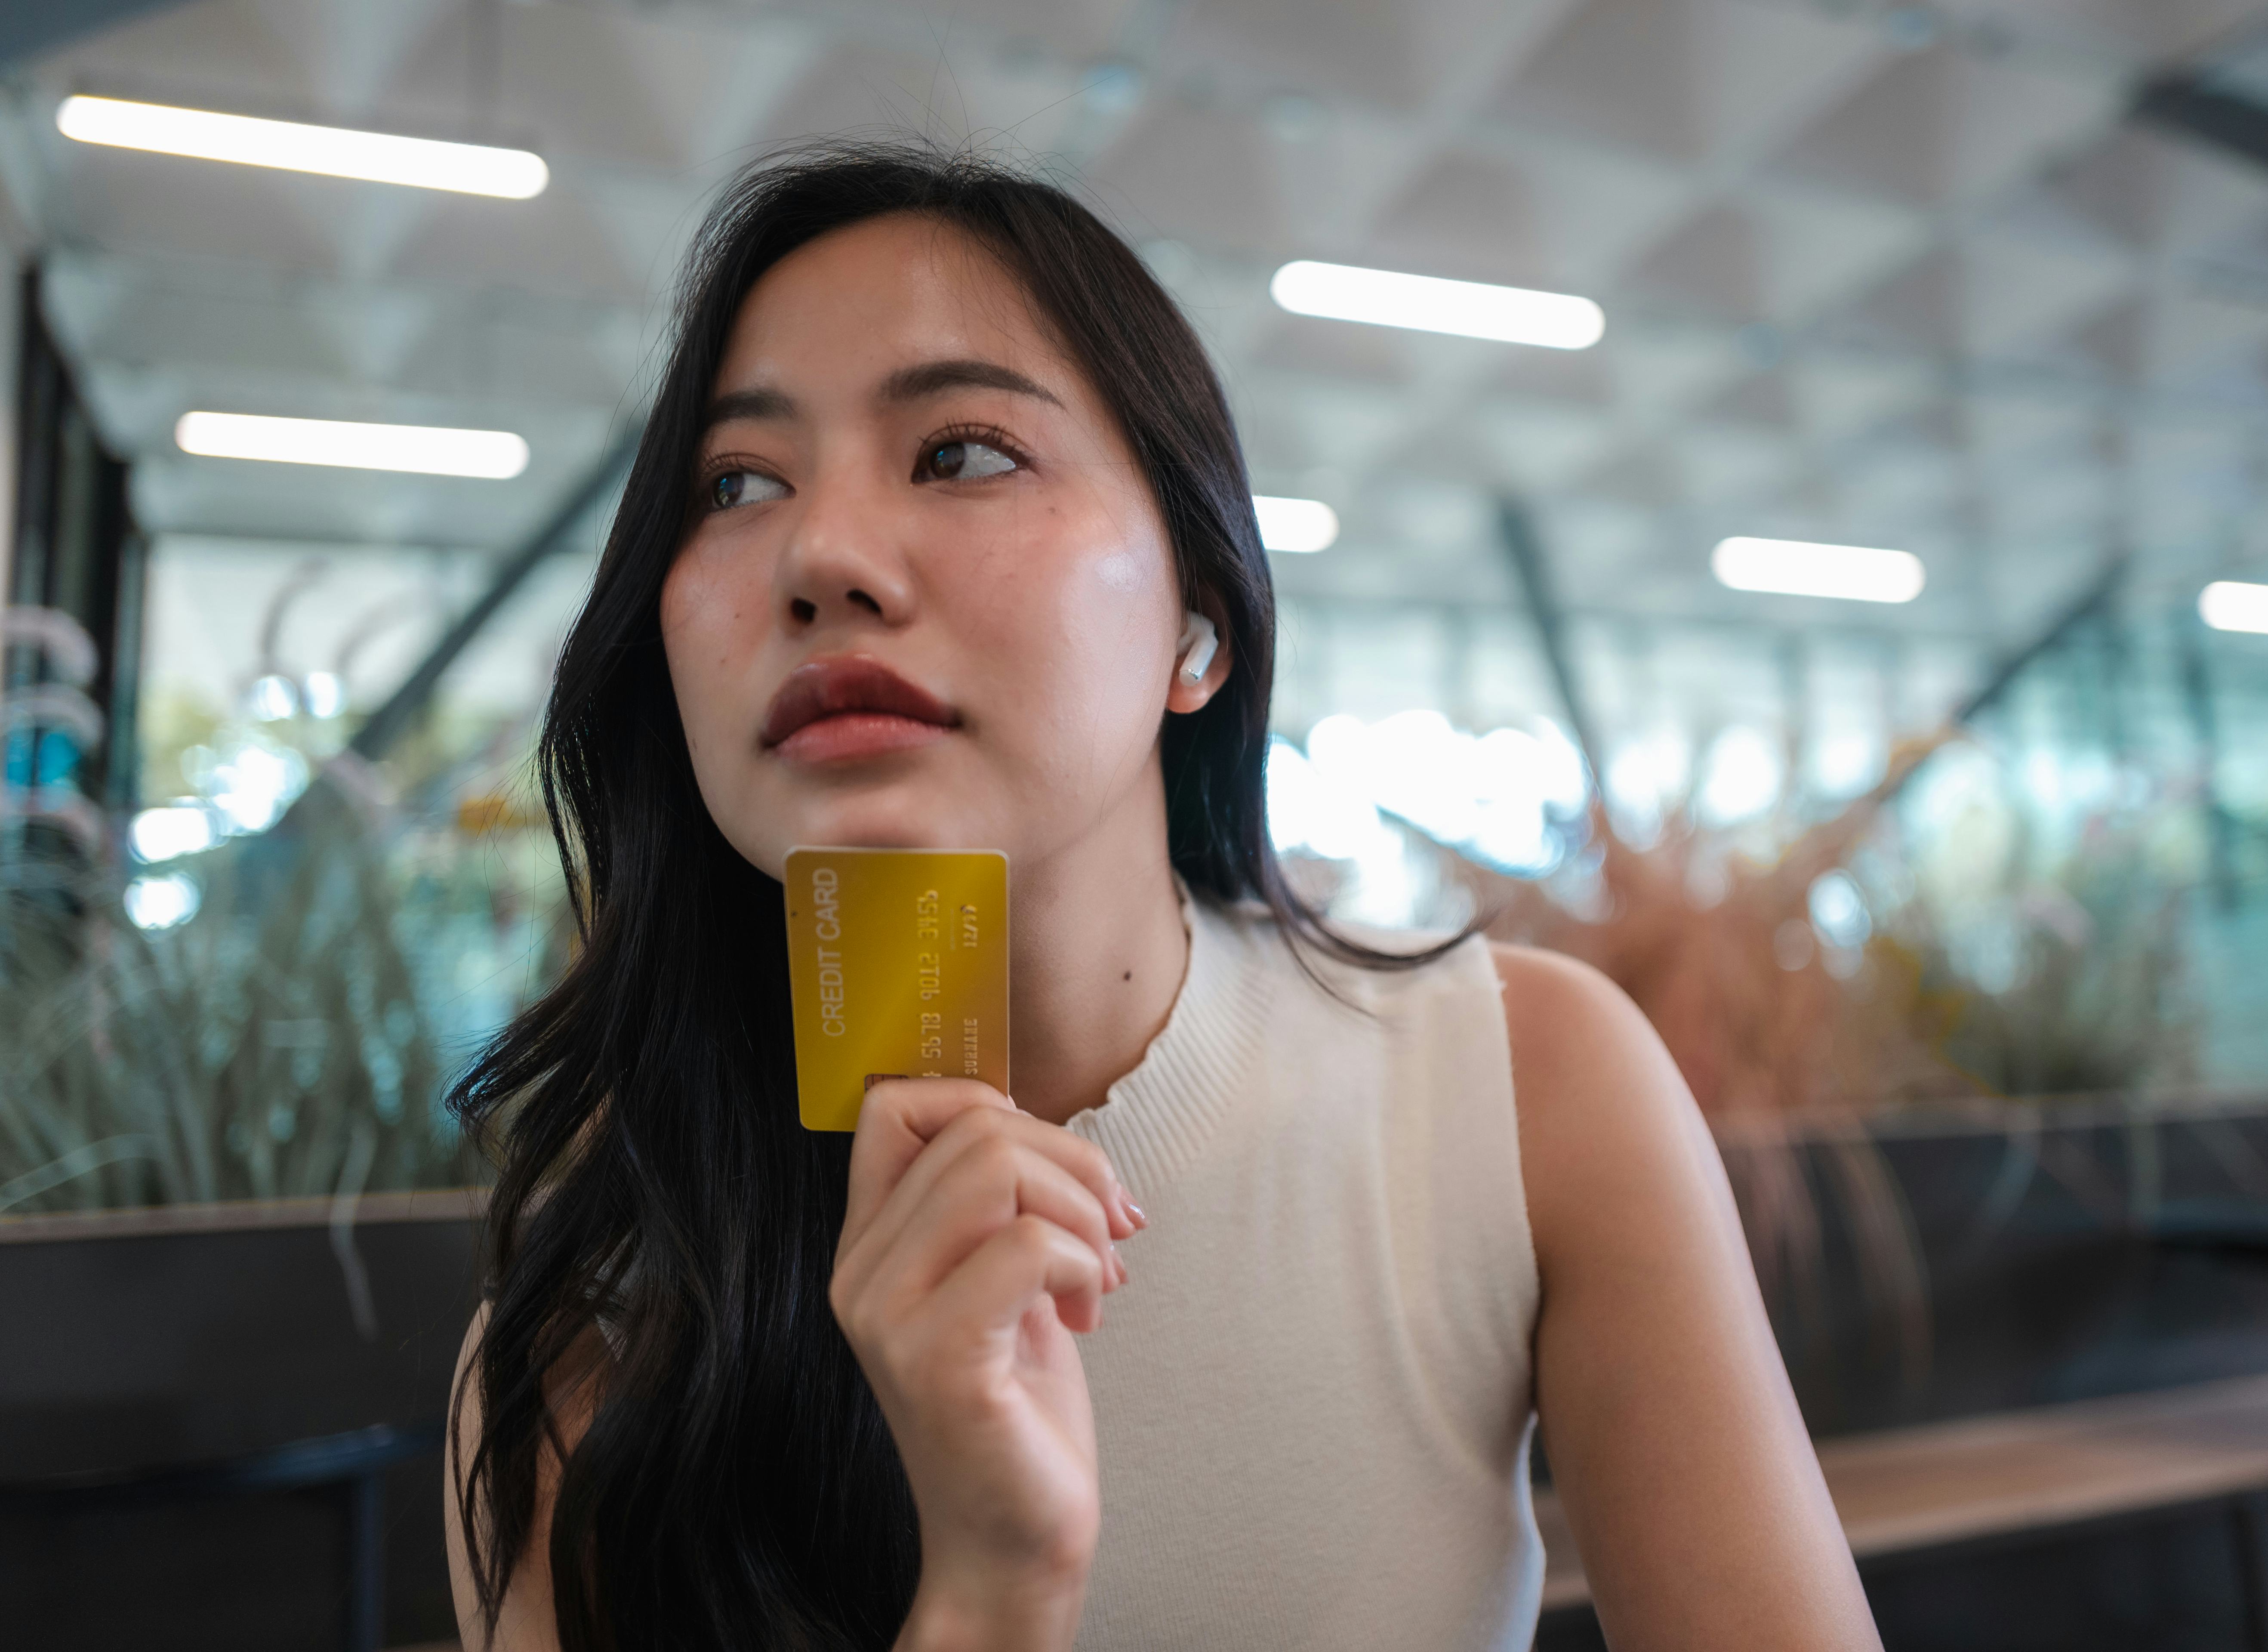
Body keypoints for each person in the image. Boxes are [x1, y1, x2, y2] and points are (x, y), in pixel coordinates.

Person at [443, 142, 1878, 1652]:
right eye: (735, 484)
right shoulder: (587, 1345)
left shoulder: (1517, 1087)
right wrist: (992, 1593)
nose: (823, 555)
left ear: (1200, 619)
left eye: (962, 453)